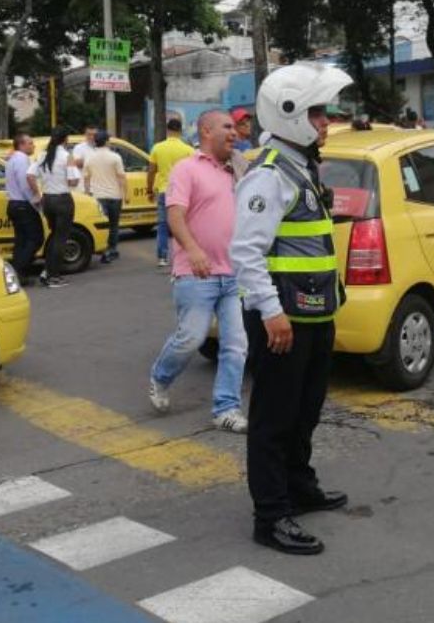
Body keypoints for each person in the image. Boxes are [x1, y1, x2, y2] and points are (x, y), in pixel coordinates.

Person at [231, 62, 353, 556]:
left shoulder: (301, 167)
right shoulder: (267, 176)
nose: (326, 122)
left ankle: (299, 485)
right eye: (318, 113)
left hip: (313, 312)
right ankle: (271, 515)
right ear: (291, 115)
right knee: (274, 417)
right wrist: (271, 312)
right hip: (282, 318)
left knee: (306, 409)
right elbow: (246, 253)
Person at [148, 109, 248, 433]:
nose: (234, 132)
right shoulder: (186, 168)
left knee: (236, 345)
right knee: (191, 338)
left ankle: (226, 408)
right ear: (206, 131)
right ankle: (160, 377)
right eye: (227, 127)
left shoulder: (237, 169)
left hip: (233, 274)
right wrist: (192, 249)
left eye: (235, 128)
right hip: (196, 273)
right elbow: (175, 216)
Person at [148, 119, 196, 268]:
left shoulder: (157, 148)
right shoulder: (188, 150)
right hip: (183, 192)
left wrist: (149, 189)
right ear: (180, 131)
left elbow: (151, 171)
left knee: (162, 225)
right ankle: (185, 255)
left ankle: (162, 258)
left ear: (167, 130)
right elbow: (194, 173)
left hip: (164, 191)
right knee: (184, 225)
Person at [35, 127, 77, 288]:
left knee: (54, 236)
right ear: (65, 139)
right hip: (62, 200)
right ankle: (53, 276)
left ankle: (47, 271)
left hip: (47, 199)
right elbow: (73, 181)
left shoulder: (42, 155)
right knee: (60, 238)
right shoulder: (66, 156)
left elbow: (30, 175)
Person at [5, 132, 43, 286]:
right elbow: (25, 184)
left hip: (14, 204)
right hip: (23, 205)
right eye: (30, 143)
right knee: (36, 238)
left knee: (21, 241)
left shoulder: (13, 158)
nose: (33, 145)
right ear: (21, 145)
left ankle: (18, 272)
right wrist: (36, 201)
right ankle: (18, 271)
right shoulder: (22, 160)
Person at [85, 131, 127, 263]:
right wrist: (125, 194)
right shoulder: (115, 157)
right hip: (114, 195)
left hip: (97, 196)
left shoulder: (89, 158)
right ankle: (112, 250)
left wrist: (87, 193)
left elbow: (86, 178)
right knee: (114, 225)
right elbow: (122, 177)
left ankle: (103, 249)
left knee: (102, 225)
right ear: (107, 142)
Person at [71, 124, 99, 194]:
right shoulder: (79, 147)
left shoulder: (101, 147)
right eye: (89, 134)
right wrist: (95, 161)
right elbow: (77, 163)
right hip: (83, 188)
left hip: (99, 188)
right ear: (85, 135)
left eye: (94, 135)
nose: (92, 137)